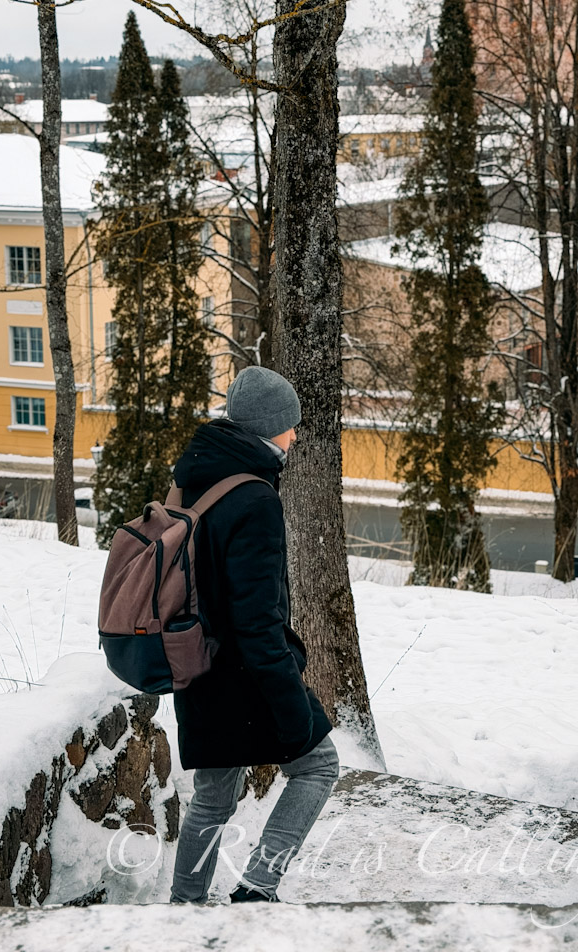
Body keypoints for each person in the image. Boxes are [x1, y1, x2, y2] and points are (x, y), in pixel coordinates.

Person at [169, 366, 339, 905]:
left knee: (212, 799)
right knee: (318, 764)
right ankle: (258, 889)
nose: (295, 435)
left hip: (196, 665)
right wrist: (290, 702)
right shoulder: (256, 499)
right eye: (290, 425)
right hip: (245, 675)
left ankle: (185, 904)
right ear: (269, 428)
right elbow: (257, 619)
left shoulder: (195, 474)